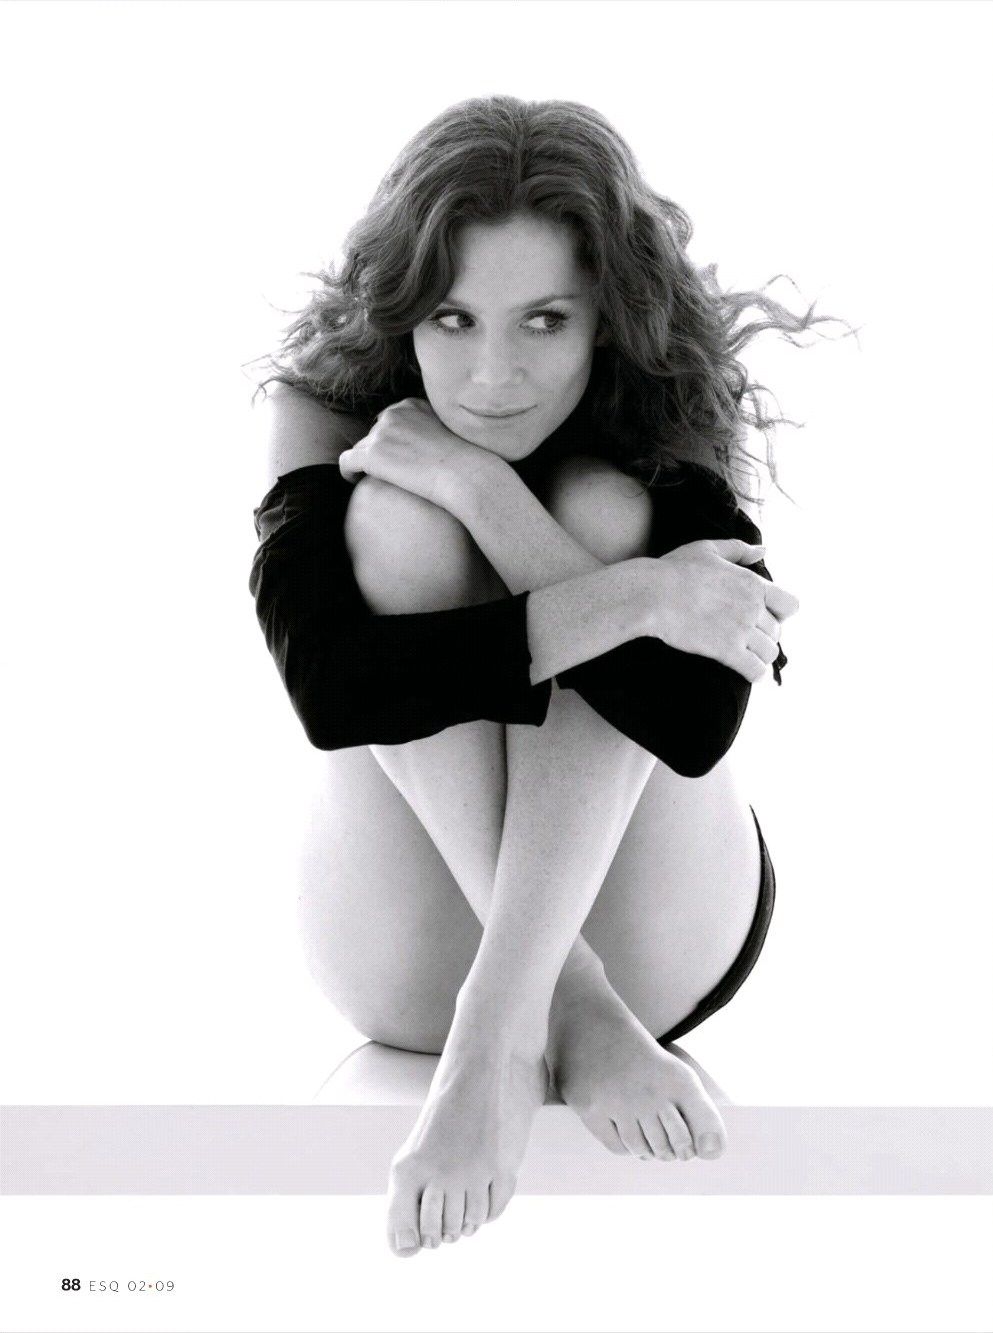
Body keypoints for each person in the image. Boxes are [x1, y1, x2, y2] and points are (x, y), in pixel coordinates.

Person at [249, 95, 828, 1259]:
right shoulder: (322, 409)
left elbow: (694, 720)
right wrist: (644, 596)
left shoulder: (666, 410)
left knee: (603, 505)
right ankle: (555, 1002)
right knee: (397, 520)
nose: (492, 374)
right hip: (409, 945)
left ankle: (501, 1023)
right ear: (404, 309)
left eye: (545, 321)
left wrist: (486, 492)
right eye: (453, 317)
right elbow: (333, 689)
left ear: (607, 318)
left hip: (662, 928)